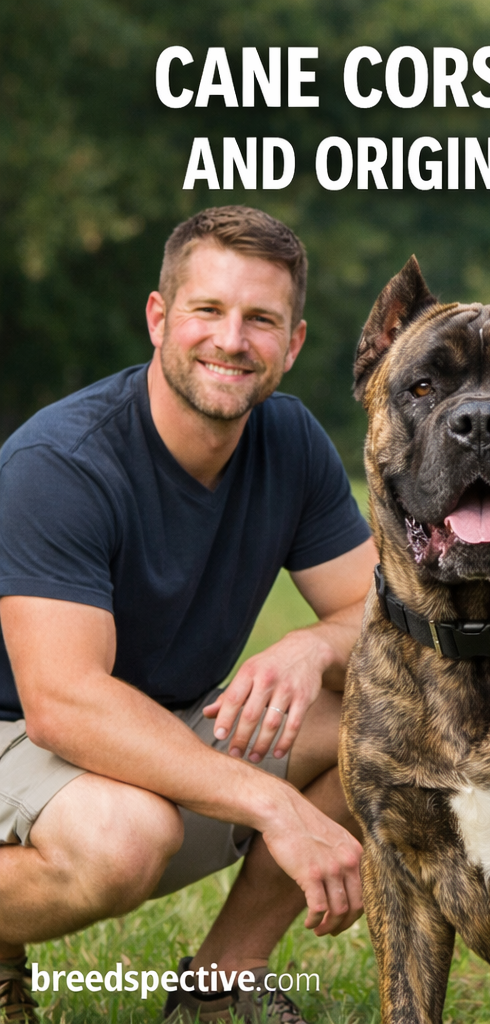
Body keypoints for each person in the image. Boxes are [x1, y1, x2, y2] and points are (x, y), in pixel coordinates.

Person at [0, 206, 378, 1024]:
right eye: (208, 311)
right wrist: (272, 805)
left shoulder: (289, 440)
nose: (231, 340)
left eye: (260, 320)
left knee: (388, 721)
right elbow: (62, 704)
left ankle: (219, 986)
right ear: (160, 317)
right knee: (124, 836)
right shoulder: (61, 463)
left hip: (153, 720)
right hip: (18, 729)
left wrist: (313, 645)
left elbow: (387, 616)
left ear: (295, 342)